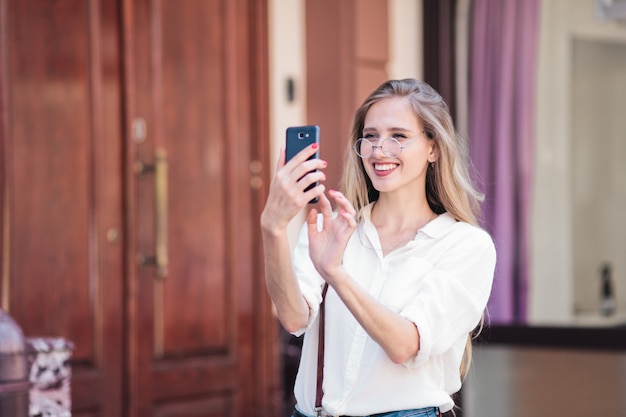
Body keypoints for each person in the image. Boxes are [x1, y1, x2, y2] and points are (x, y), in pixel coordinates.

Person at [261, 79, 496, 417]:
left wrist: (336, 274)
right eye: (370, 136)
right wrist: (273, 228)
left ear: (433, 148)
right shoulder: (331, 227)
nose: (378, 150)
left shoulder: (465, 246)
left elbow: (405, 345)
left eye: (397, 136)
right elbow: (293, 316)